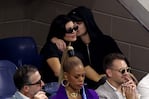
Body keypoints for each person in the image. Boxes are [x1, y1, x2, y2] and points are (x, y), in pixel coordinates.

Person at [51, 6, 122, 89]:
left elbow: (121, 63)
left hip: (105, 84)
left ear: (87, 22)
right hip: (81, 86)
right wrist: (54, 39)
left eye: (79, 23)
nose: (75, 27)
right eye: (73, 24)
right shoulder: (71, 45)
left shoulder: (106, 42)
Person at [40, 14, 103, 89]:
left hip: (73, 87)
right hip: (55, 87)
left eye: (75, 28)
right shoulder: (51, 47)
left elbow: (94, 76)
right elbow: (58, 73)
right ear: (60, 32)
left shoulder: (75, 48)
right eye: (70, 30)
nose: (74, 32)